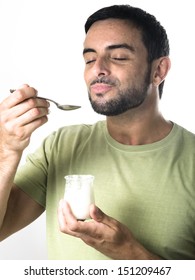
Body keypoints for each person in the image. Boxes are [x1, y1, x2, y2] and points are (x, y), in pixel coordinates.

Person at [0, 4, 194, 260]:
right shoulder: (61, 146)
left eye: (118, 57)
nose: (97, 69)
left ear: (158, 70)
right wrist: (7, 150)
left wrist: (129, 253)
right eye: (89, 58)